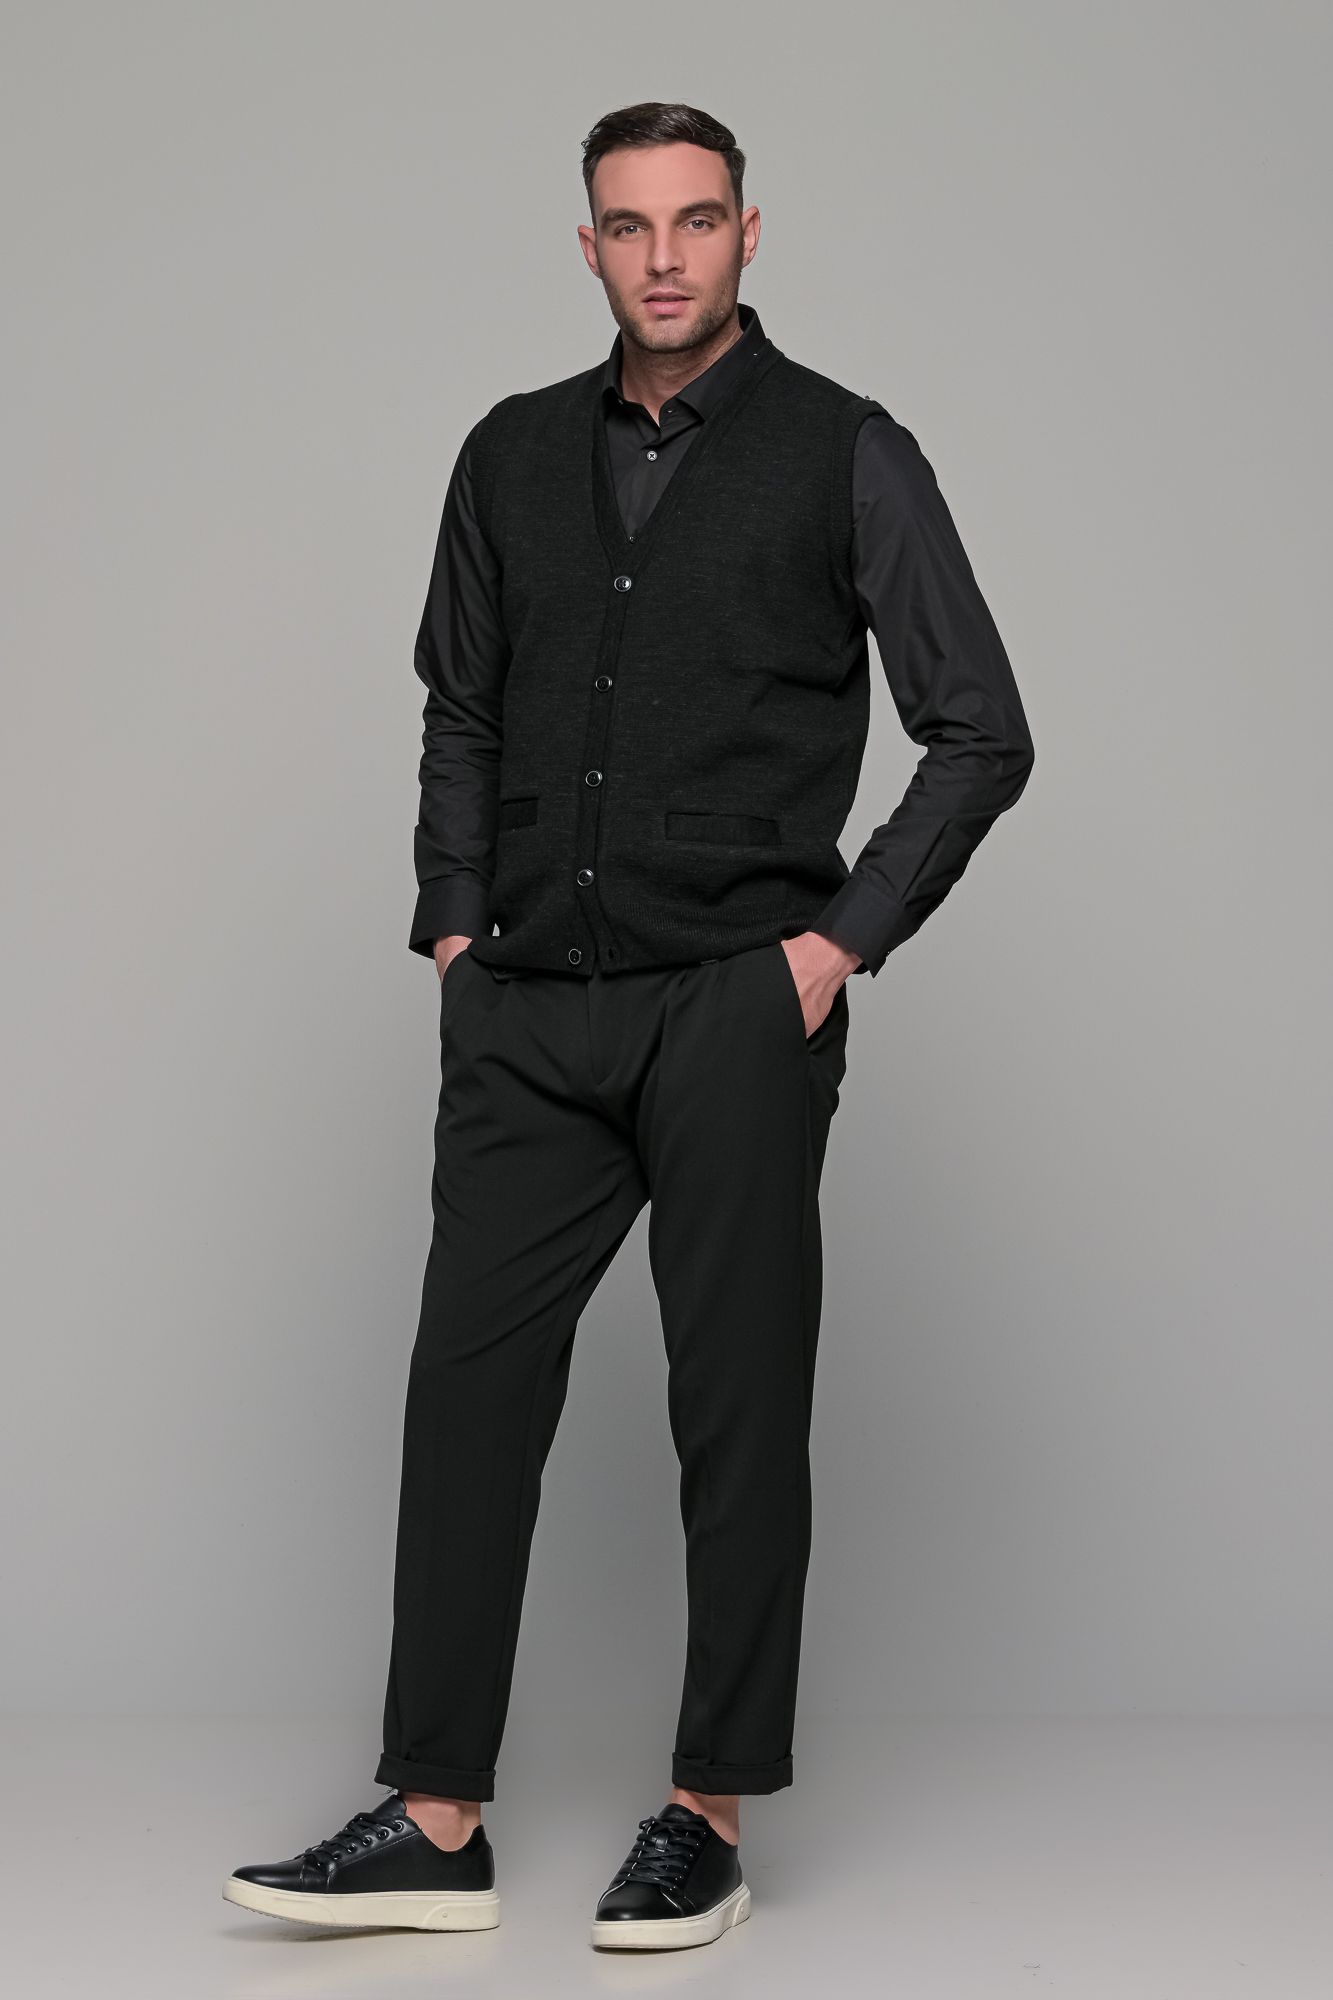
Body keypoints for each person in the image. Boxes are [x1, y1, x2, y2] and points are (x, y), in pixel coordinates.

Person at [223, 98, 1035, 1953]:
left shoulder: (845, 450)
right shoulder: (509, 451)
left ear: (750, 233)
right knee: (465, 1398)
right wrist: (452, 929)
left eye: (695, 219)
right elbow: (458, 703)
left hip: (734, 1003)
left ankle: (706, 1816)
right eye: (627, 225)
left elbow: (978, 728)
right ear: (585, 246)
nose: (663, 256)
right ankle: (436, 1820)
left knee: (734, 1410)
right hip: (526, 1006)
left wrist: (832, 950)